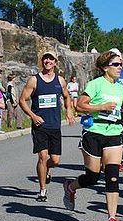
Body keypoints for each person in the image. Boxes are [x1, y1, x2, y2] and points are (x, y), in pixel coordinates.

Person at [62, 51, 123, 221]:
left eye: (121, 64)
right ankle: (71, 187)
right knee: (92, 177)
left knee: (113, 176)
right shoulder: (95, 85)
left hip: (115, 132)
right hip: (94, 132)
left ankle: (111, 220)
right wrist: (101, 106)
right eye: (116, 65)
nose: (120, 68)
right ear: (104, 67)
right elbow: (80, 105)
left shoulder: (119, 87)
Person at [19, 51, 75, 202]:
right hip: (40, 126)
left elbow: (66, 96)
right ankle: (42, 190)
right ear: (42, 61)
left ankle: (47, 170)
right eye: (45, 59)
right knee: (43, 157)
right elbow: (22, 100)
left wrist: (69, 111)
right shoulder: (34, 80)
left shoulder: (60, 80)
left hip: (55, 125)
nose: (48, 61)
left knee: (55, 161)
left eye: (51, 59)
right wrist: (33, 116)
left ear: (55, 62)